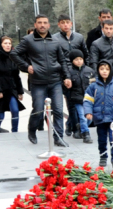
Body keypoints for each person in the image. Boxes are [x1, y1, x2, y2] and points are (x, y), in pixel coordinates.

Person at [11, 14, 72, 146]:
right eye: (39, 23)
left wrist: (67, 77)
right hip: (38, 82)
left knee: (58, 110)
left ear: (49, 25)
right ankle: (32, 130)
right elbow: (14, 53)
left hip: (55, 81)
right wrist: (26, 67)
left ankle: (58, 138)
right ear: (35, 25)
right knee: (38, 110)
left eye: (45, 22)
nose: (42, 25)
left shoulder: (55, 41)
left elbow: (62, 60)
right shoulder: (28, 40)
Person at [83, 59, 113, 168]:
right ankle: (103, 156)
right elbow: (88, 100)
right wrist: (88, 112)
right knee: (102, 140)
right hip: (100, 117)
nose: (104, 71)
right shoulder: (93, 86)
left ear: (110, 71)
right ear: (98, 71)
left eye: (107, 69)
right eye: (102, 69)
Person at [53, 14, 88, 140]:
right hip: (64, 75)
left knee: (81, 101)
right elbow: (54, 57)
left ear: (71, 23)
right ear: (59, 25)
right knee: (71, 103)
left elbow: (85, 54)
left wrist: (87, 71)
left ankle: (70, 124)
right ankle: (75, 128)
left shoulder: (79, 37)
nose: (65, 25)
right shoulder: (54, 38)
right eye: (62, 22)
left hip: (79, 74)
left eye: (67, 22)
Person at [0, 35, 26, 133]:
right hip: (0, 90)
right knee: (0, 115)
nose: (8, 45)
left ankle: (14, 132)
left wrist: (20, 92)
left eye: (9, 43)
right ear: (1, 44)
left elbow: (17, 76)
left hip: (11, 90)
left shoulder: (13, 57)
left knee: (15, 111)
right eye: (5, 43)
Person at [68, 49, 94, 144]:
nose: (79, 61)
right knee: (83, 117)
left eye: (80, 59)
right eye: (76, 59)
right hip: (77, 99)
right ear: (72, 61)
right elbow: (66, 87)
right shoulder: (69, 72)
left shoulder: (89, 71)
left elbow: (94, 85)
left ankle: (81, 127)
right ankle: (86, 134)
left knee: (89, 118)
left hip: (88, 99)